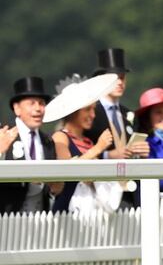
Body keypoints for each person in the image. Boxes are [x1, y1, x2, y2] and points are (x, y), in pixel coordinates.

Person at [46, 75, 121, 213]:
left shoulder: (87, 141)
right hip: (66, 212)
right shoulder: (61, 137)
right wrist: (98, 148)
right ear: (73, 112)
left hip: (89, 212)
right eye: (87, 109)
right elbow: (65, 172)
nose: (93, 115)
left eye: (93, 109)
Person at [0, 77, 63, 213]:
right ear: (17, 108)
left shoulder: (47, 141)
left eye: (41, 103)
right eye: (32, 103)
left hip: (40, 218)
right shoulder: (3, 135)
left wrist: (55, 187)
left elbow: (53, 188)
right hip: (7, 217)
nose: (38, 109)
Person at [84, 48, 149, 160]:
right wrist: (108, 155)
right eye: (114, 78)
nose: (120, 82)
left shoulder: (129, 114)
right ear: (101, 80)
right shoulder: (90, 112)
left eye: (122, 78)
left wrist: (141, 151)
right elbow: (82, 148)